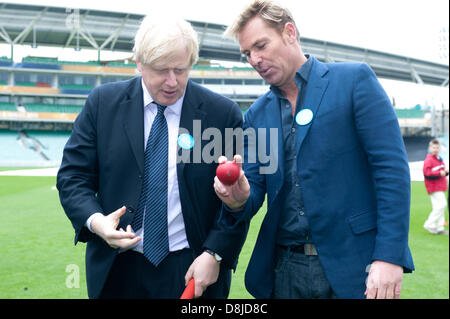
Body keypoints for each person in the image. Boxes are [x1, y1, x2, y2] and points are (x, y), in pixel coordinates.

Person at [214, 0, 414, 299]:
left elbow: (392, 172)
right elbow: (254, 187)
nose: (254, 59)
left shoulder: (353, 80)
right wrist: (239, 198)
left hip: (355, 264)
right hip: (285, 269)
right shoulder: (257, 114)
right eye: (247, 54)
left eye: (261, 45)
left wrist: (389, 256)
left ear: (289, 33)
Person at [57, 13, 248, 299]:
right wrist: (98, 222)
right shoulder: (102, 104)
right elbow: (73, 177)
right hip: (117, 269)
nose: (172, 81)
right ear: (139, 64)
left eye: (181, 70)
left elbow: (237, 202)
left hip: (192, 268)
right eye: (161, 70)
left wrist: (216, 254)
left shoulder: (223, 114)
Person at [423, 139, 449, 235]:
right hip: (434, 186)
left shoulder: (440, 159)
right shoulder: (429, 160)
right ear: (430, 148)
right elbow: (427, 174)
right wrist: (440, 173)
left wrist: (445, 172)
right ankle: (429, 224)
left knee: (438, 207)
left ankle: (439, 228)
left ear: (440, 148)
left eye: (437, 147)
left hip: (440, 185)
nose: (435, 149)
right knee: (442, 205)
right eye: (433, 147)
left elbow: (443, 173)